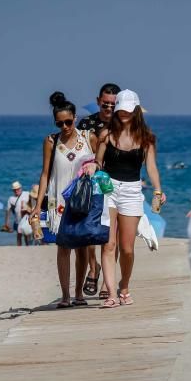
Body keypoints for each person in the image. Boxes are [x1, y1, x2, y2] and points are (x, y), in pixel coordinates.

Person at [91, 89, 165, 309]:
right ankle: (111, 294)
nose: (123, 113)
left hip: (132, 191)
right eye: (120, 109)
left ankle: (124, 286)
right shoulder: (106, 134)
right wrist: (91, 169)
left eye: (128, 110)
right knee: (108, 244)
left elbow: (151, 167)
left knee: (127, 248)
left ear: (136, 111)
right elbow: (98, 163)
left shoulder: (146, 138)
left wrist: (158, 190)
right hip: (108, 188)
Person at [32, 92, 98, 308]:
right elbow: (44, 174)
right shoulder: (51, 141)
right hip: (58, 199)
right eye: (60, 123)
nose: (65, 127)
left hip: (82, 200)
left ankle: (79, 293)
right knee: (63, 248)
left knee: (81, 248)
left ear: (75, 118)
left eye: (68, 122)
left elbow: (99, 166)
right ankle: (65, 295)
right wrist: (36, 205)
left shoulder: (89, 138)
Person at [78, 83, 120, 296]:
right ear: (98, 101)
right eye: (105, 104)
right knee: (90, 233)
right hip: (92, 184)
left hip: (117, 183)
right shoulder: (86, 124)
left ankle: (107, 282)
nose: (109, 108)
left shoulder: (123, 123)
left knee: (113, 235)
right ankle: (94, 269)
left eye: (113, 104)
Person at [3, 181, 34, 246]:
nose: (16, 191)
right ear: (13, 190)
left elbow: (33, 200)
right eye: (15, 190)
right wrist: (6, 223)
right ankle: (19, 248)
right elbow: (8, 211)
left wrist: (30, 210)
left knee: (26, 235)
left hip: (26, 219)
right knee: (19, 235)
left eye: (17, 189)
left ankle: (27, 247)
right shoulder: (11, 199)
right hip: (17, 220)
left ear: (20, 188)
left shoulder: (27, 194)